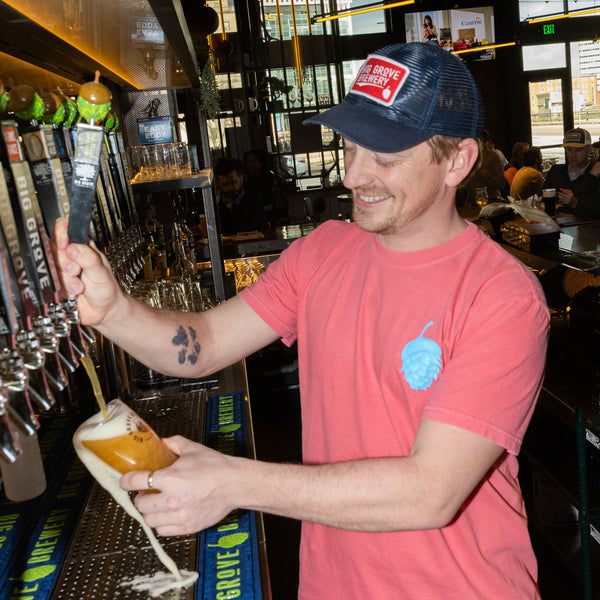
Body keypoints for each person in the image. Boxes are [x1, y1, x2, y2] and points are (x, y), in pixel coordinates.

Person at [54, 43, 549, 599]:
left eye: (384, 157)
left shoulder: (501, 296)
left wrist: (235, 482)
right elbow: (207, 343)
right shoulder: (324, 252)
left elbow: (429, 493)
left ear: (456, 160)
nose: (353, 174)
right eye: (349, 146)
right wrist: (113, 310)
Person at [544, 128, 600, 218]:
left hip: (586, 228)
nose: (573, 155)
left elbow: (595, 209)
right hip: (556, 226)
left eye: (578, 150)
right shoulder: (555, 171)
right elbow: (541, 199)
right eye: (569, 150)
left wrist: (575, 203)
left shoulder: (596, 174)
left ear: (589, 149)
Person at [213, 156, 267, 234]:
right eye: (225, 184)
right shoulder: (215, 200)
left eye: (234, 182)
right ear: (217, 184)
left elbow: (245, 227)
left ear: (242, 177)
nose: (230, 188)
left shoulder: (253, 195)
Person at [458, 129, 506, 203]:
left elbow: (501, 183)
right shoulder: (465, 157)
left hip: (491, 200)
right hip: (472, 201)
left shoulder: (492, 157)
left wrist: (482, 170)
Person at [243, 149, 288, 225]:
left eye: (253, 161)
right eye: (247, 162)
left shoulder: (270, 180)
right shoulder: (244, 182)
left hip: (273, 219)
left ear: (261, 163)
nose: (250, 165)